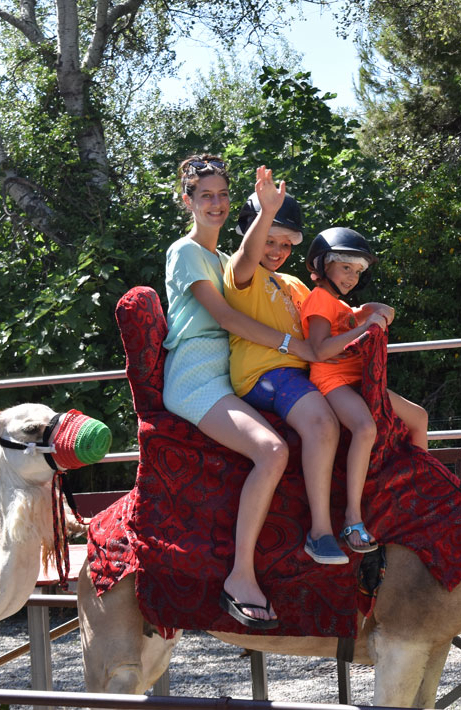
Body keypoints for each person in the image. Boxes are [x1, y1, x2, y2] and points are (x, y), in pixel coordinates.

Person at [163, 156, 318, 630]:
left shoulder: (220, 259)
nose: (216, 203)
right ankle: (241, 577)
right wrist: (295, 345)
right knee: (270, 451)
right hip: (197, 375)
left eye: (223, 195)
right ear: (187, 201)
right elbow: (227, 320)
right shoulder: (186, 251)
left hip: (231, 374)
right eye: (205, 195)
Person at [222, 184, 385, 563]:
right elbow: (248, 255)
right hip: (267, 373)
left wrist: (369, 312)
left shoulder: (295, 283)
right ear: (252, 234)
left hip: (305, 374)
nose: (278, 252)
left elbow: (333, 315)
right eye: (270, 241)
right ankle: (320, 532)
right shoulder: (241, 273)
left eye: (286, 245)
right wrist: (265, 214)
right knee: (323, 423)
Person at [301, 227, 430, 554]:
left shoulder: (340, 305)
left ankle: (420, 491)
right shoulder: (319, 299)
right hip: (333, 380)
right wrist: (363, 327)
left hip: (359, 379)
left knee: (418, 417)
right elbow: (318, 351)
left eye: (358, 272)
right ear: (323, 264)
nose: (352, 277)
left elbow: (382, 312)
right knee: (364, 427)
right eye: (346, 268)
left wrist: (374, 315)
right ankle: (352, 518)